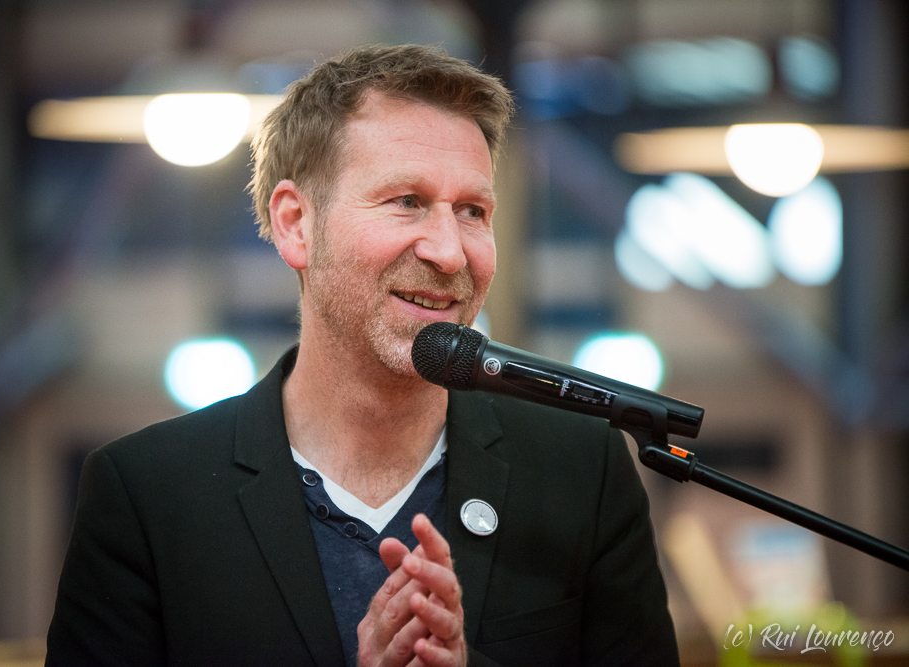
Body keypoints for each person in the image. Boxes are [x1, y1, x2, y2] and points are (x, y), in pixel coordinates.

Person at [46, 44, 679, 666]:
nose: (450, 252)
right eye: (407, 202)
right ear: (296, 223)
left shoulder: (581, 473)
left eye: (472, 211)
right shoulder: (149, 496)